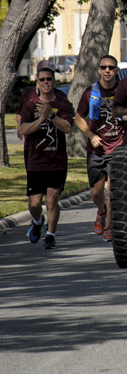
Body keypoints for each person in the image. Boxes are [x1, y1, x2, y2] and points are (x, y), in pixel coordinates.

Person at [74, 55, 127, 242]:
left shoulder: (124, 90)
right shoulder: (90, 92)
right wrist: (91, 135)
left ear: (116, 70)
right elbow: (78, 118)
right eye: (104, 67)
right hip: (97, 149)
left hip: (120, 146)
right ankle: (101, 212)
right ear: (99, 70)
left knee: (114, 189)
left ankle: (109, 227)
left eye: (111, 67)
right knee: (96, 192)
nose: (107, 70)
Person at [19, 62, 74, 249]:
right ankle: (37, 221)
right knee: (34, 203)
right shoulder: (30, 103)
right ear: (37, 82)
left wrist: (51, 116)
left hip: (57, 160)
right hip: (35, 160)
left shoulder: (62, 102)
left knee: (52, 199)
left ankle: (50, 235)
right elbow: (24, 129)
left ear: (54, 82)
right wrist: (41, 118)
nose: (45, 82)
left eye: (49, 79)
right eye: (42, 79)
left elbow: (67, 128)